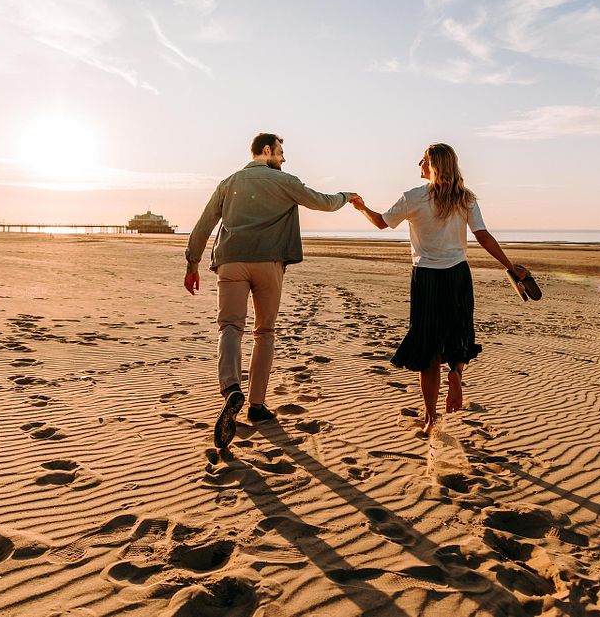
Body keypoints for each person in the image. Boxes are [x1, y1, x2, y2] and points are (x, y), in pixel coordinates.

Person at [185, 133, 357, 449]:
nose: (284, 158)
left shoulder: (228, 183)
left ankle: (231, 388)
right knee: (264, 332)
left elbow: (204, 223)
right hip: (268, 263)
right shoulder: (285, 181)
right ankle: (256, 405)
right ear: (267, 150)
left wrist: (192, 262)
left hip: (231, 262)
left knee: (229, 327)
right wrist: (348, 196)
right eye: (280, 152)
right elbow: (323, 202)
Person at [350, 143, 531, 438]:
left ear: (433, 165)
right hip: (458, 275)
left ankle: (431, 419)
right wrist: (510, 266)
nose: (418, 163)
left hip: (426, 277)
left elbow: (382, 223)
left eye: (423, 159)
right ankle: (456, 373)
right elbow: (483, 236)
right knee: (460, 335)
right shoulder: (465, 198)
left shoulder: (413, 197)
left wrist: (362, 209)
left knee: (428, 348)